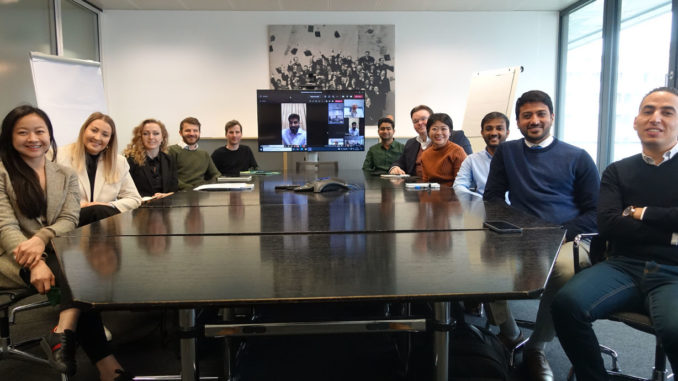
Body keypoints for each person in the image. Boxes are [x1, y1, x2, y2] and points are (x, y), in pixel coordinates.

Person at [552, 87, 678, 381]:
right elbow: (609, 224)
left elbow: (623, 223)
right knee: (566, 305)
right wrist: (671, 233)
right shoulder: (617, 171)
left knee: (675, 329)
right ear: (635, 122)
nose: (655, 118)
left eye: (667, 112)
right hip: (623, 265)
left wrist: (640, 213)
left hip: (673, 272)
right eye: (648, 110)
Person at [0, 105, 132, 381]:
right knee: (78, 269)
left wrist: (41, 239)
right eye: (23, 132)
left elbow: (70, 217)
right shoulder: (2, 172)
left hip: (52, 248)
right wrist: (36, 261)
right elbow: (6, 226)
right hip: (12, 255)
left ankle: (63, 331)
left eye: (40, 131)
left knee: (77, 265)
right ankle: (104, 363)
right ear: (9, 137)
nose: (33, 138)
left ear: (50, 134)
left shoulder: (64, 173)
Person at [483, 90, 600, 381]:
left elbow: (596, 211)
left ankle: (537, 347)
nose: (534, 120)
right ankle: (509, 334)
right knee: (483, 262)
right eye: (527, 116)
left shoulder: (578, 157)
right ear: (519, 122)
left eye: (540, 114)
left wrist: (558, 233)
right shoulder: (507, 152)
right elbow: (493, 197)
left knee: (562, 270)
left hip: (567, 238)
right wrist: (511, 225)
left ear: (551, 117)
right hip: (520, 234)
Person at [58, 112, 142, 227]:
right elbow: (50, 198)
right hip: (71, 222)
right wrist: (80, 206)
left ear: (110, 139)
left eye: (105, 134)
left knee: (99, 211)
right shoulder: (59, 156)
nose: (98, 137)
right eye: (94, 130)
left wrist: (107, 205)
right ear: (84, 130)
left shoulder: (119, 162)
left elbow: (134, 199)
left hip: (104, 221)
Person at [389, 105, 472, 176]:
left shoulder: (456, 137)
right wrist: (395, 168)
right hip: (415, 186)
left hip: (447, 186)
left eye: (423, 119)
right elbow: (400, 162)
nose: (420, 123)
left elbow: (468, 166)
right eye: (415, 121)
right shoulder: (411, 143)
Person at [453, 112, 510, 196]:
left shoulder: (518, 158)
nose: (493, 133)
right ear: (482, 133)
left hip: (512, 207)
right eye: (489, 128)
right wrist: (480, 199)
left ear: (507, 132)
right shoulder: (472, 160)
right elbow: (459, 186)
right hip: (482, 206)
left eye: (499, 128)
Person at [123, 118, 177, 199]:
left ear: (162, 137)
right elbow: (125, 192)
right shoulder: (130, 160)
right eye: (146, 134)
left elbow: (174, 189)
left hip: (165, 207)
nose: (151, 137)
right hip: (140, 208)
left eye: (156, 133)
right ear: (140, 137)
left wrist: (166, 195)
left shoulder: (169, 159)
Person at [168, 117, 220, 191]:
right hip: (180, 194)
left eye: (195, 130)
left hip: (201, 194)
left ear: (199, 133)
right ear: (180, 132)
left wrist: (206, 186)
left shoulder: (204, 154)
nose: (192, 134)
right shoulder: (171, 151)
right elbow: (169, 177)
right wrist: (191, 189)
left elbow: (216, 175)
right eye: (188, 130)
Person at [419, 113, 467, 186]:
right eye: (434, 129)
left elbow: (461, 184)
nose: (438, 133)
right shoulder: (425, 154)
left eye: (443, 129)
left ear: (450, 132)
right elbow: (426, 182)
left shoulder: (457, 151)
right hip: (431, 195)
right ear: (428, 132)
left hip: (452, 195)